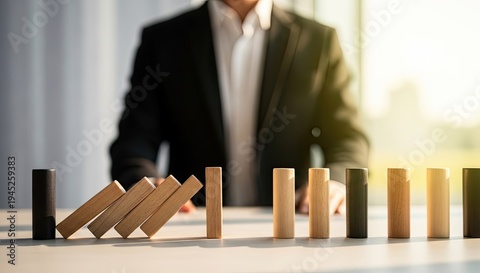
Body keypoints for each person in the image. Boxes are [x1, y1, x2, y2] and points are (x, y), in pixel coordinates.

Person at [110, 0, 369, 215]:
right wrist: (145, 184)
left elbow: (347, 137)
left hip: (292, 226)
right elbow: (135, 139)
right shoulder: (163, 40)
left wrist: (333, 181)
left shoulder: (318, 41)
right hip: (189, 229)